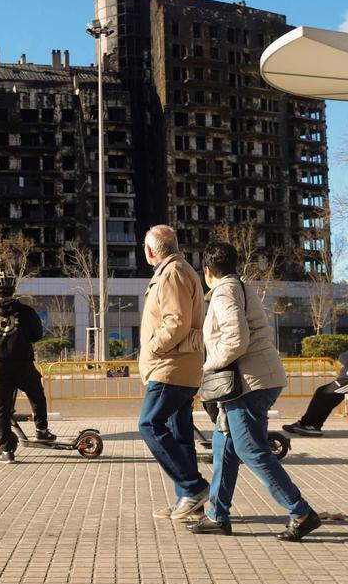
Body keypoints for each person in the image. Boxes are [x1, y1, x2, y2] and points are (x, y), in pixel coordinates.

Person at [189, 242, 321, 541]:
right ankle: (216, 515)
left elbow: (236, 339)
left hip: (248, 382)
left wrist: (209, 366)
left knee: (251, 450)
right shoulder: (241, 286)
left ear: (207, 271)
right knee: (224, 448)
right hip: (252, 379)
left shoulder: (223, 291)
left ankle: (301, 512)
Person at [137, 225, 210, 522]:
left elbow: (176, 321)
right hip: (180, 366)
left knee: (149, 424)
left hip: (171, 366)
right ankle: (189, 500)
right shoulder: (177, 270)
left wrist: (154, 348)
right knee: (179, 433)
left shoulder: (171, 273)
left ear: (150, 250)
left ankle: (194, 487)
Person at [0, 272, 54, 464]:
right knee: (37, 395)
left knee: (1, 408)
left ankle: (6, 451)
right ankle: (41, 431)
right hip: (23, 364)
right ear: (14, 290)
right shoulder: (27, 312)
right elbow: (37, 335)